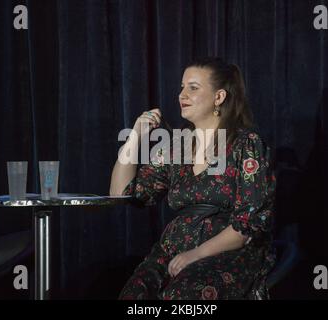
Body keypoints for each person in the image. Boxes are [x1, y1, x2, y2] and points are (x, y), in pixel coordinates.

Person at [109, 57, 276, 300]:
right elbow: (120, 194)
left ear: (219, 97)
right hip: (173, 250)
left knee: (182, 295)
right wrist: (135, 137)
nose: (182, 94)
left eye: (193, 88)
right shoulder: (177, 148)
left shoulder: (245, 145)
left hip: (228, 253)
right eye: (182, 87)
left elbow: (246, 225)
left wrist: (195, 254)